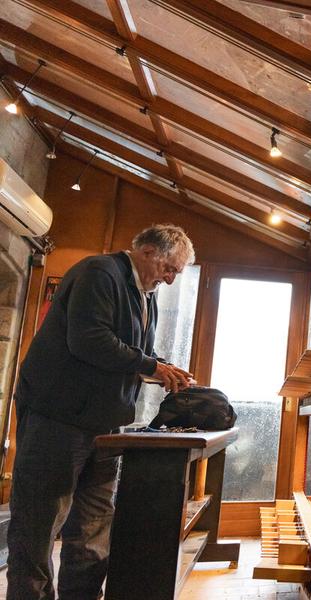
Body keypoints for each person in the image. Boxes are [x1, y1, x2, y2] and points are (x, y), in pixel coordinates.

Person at [7, 223, 196, 600]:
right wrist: (151, 367)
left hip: (104, 425)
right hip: (59, 417)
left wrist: (162, 369)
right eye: (169, 269)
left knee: (93, 528)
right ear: (147, 252)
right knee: (39, 524)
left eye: (176, 272)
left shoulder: (147, 293)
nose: (171, 280)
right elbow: (90, 341)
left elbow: (128, 350)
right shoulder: (99, 273)